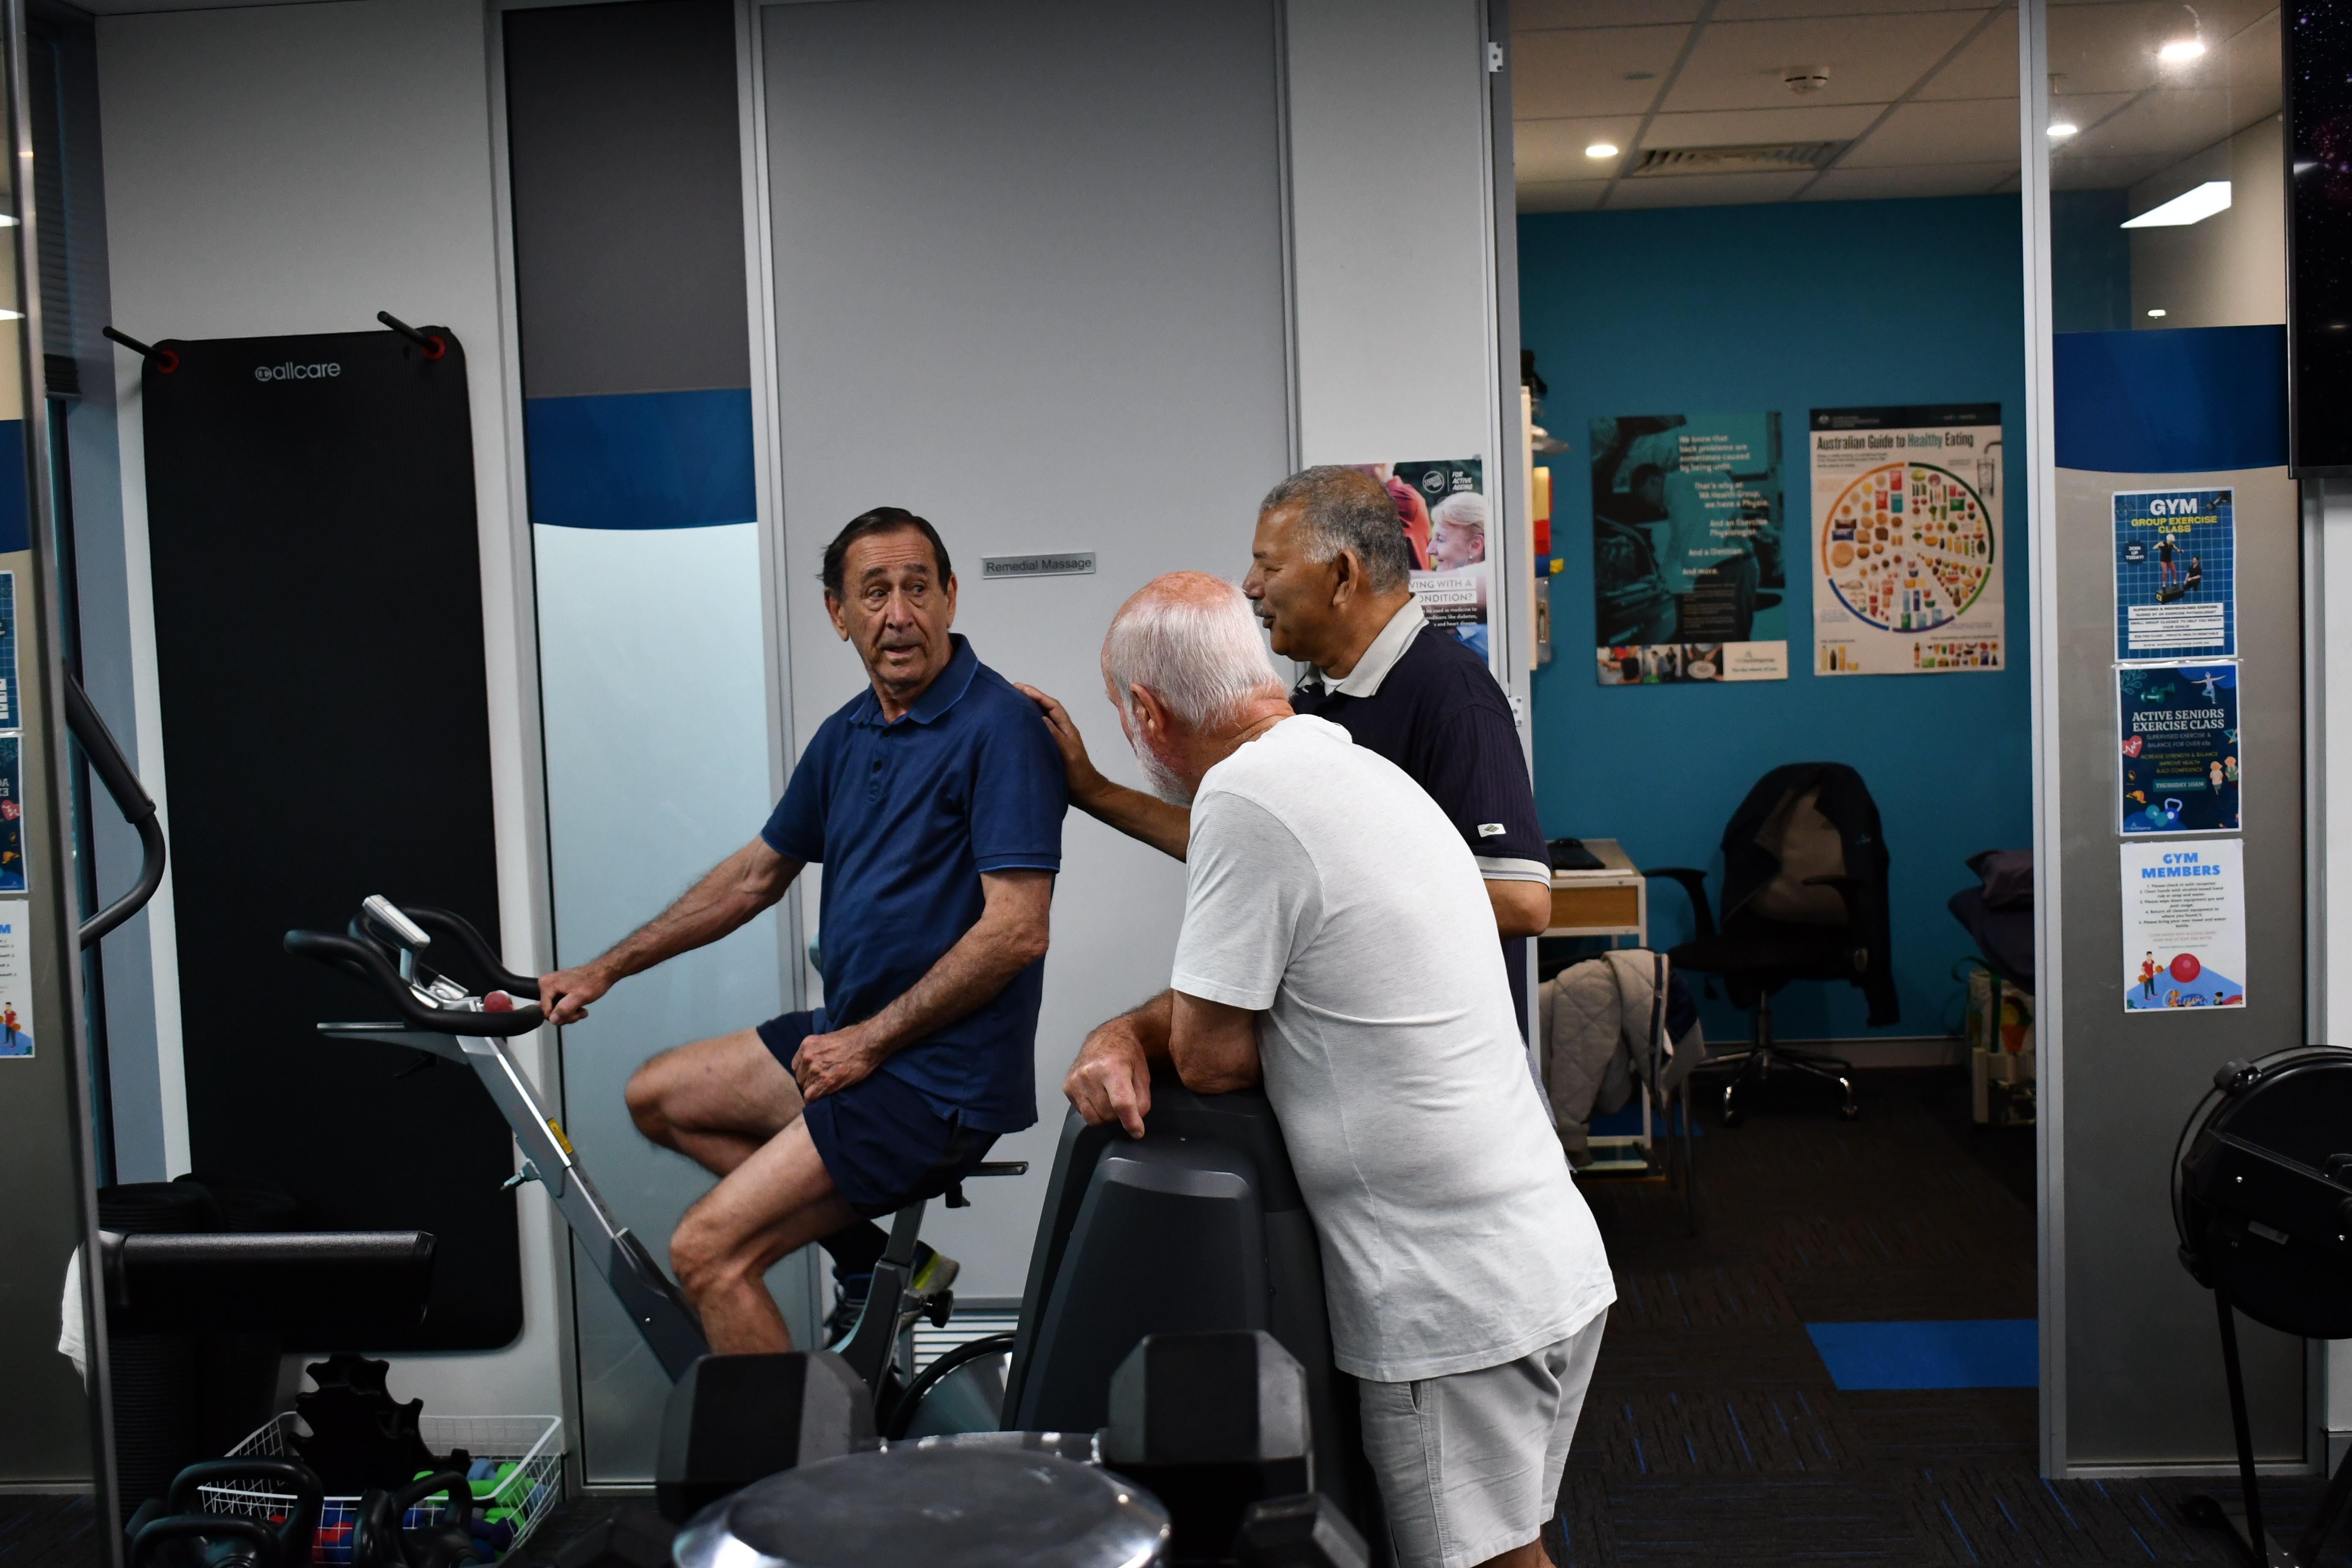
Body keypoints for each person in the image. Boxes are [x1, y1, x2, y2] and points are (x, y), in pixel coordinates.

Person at [1062, 573, 1612, 1568]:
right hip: (1540, 1256)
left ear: (1146, 713)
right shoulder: (1345, 764)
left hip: (1452, 1298)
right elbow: (1232, 992)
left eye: (1121, 713)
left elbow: (1212, 1052)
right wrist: (1120, 1030)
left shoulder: (1243, 797)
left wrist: (1131, 1034)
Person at [537, 506, 1065, 1353]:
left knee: (708, 1252)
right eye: (876, 592)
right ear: (839, 614)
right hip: (857, 1044)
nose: (900, 614)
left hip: (933, 1082)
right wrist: (605, 969)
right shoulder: (848, 734)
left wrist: (867, 1044)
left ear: (951, 597)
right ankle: (873, 1259)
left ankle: (797, 1482)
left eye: (918, 587)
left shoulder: (999, 729)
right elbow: (755, 876)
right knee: (659, 1096)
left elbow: (1016, 934)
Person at [1022, 466, 1552, 1032]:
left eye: (1269, 566)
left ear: (1343, 576)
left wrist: (1323, 908)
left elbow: (1522, 900)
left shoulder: (1453, 694)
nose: (1250, 585)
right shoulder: (1316, 696)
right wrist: (1093, 791)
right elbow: (1256, 844)